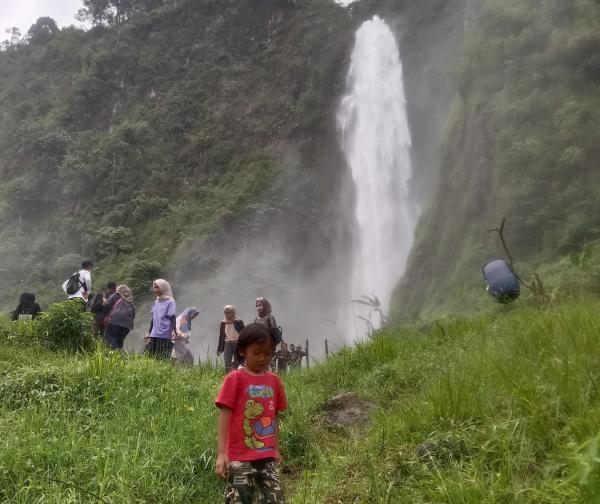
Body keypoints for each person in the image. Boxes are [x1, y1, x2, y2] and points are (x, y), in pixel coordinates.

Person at [215, 323, 287, 503]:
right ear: (242, 351)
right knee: (240, 496)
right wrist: (222, 453)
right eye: (257, 352)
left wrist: (276, 449)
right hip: (239, 456)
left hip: (267, 455)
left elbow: (274, 416)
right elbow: (225, 414)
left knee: (276, 498)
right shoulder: (235, 379)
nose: (263, 358)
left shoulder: (274, 381)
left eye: (268, 353)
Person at [144, 279, 176, 359]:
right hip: (154, 333)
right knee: (149, 356)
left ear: (163, 288)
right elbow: (153, 319)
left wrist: (173, 331)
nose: (155, 289)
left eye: (157, 287)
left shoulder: (170, 302)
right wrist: (149, 333)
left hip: (164, 334)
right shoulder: (156, 302)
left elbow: (172, 317)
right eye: (154, 287)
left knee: (161, 357)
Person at [102, 285, 135, 350]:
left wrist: (104, 302)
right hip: (128, 324)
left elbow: (107, 307)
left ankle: (115, 351)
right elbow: (133, 313)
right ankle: (118, 355)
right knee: (119, 340)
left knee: (108, 335)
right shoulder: (130, 300)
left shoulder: (116, 295)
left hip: (115, 320)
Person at [218, 305, 245, 372]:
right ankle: (227, 376)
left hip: (237, 343)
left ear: (233, 313)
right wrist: (220, 348)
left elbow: (244, 332)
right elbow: (222, 336)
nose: (228, 315)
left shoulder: (238, 321)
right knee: (227, 361)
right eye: (226, 313)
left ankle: (236, 377)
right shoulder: (223, 323)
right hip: (228, 343)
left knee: (237, 362)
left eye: (230, 313)